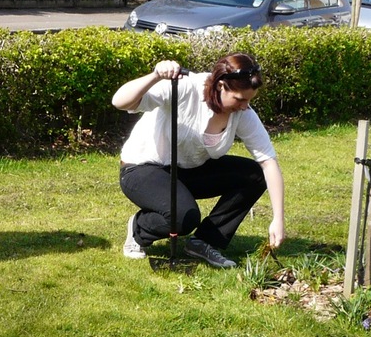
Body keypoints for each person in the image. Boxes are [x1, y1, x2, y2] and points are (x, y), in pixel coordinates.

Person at [112, 53, 285, 268]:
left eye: (249, 99)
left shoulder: (242, 112)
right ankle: (139, 229)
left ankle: (203, 241)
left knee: (254, 175)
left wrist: (278, 218)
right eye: (240, 99)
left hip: (187, 171)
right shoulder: (185, 87)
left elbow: (268, 161)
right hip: (141, 168)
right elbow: (120, 101)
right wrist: (156, 75)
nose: (244, 106)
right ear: (221, 86)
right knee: (183, 218)